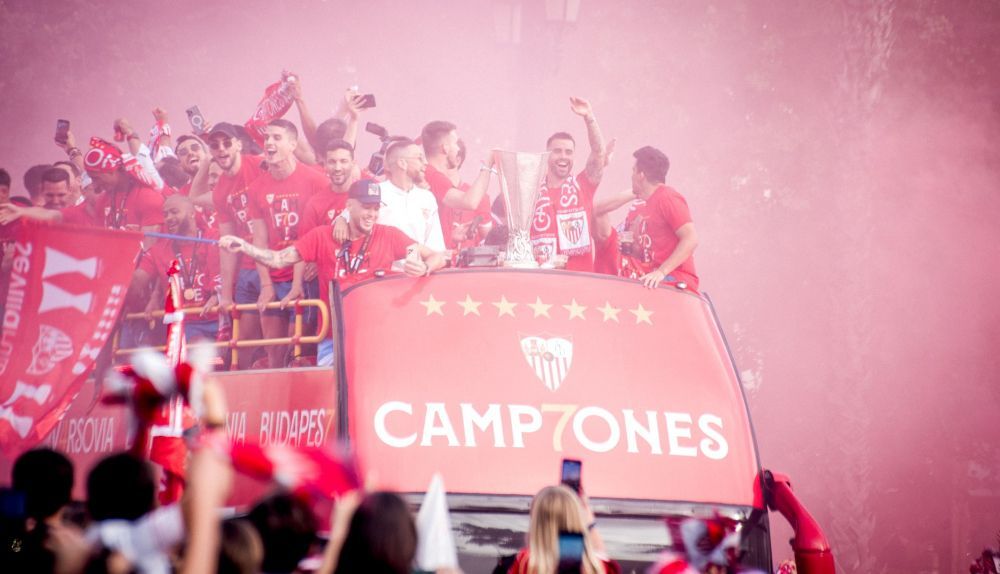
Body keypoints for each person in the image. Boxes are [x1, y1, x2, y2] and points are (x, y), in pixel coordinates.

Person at [221, 179, 446, 366]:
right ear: (349, 206)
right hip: (331, 339)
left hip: (376, 337)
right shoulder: (322, 235)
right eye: (366, 207)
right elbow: (279, 259)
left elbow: (436, 256)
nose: (372, 214)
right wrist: (244, 246)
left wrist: (424, 268)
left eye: (376, 208)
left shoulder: (389, 235)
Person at [247, 119, 330, 367]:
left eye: (277, 137)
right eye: (267, 138)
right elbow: (259, 240)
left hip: (305, 277)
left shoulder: (317, 181)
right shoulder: (256, 188)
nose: (269, 143)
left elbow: (323, 231)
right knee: (274, 353)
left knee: (299, 353)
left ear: (293, 144)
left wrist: (313, 264)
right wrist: (265, 284)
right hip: (274, 276)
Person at [205, 122, 267, 369]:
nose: (221, 150)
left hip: (275, 261)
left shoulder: (261, 165)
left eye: (227, 143)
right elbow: (227, 245)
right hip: (247, 268)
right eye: (215, 145)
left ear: (239, 145)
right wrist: (226, 294)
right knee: (242, 346)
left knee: (279, 340)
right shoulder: (220, 191)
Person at [531, 97, 607, 271]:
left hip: (578, 282)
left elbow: (598, 153)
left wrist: (589, 118)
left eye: (568, 152)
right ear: (547, 155)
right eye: (557, 151)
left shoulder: (583, 185)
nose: (563, 156)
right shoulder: (532, 194)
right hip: (541, 282)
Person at [335, 138, 446, 252]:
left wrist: (427, 265)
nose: (425, 163)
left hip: (417, 267)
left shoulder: (427, 198)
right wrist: (341, 219)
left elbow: (435, 246)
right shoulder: (375, 191)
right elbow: (345, 218)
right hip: (379, 267)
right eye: (419, 158)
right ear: (402, 163)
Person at [138, 195, 221, 342]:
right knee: (199, 348)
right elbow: (140, 277)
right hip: (187, 323)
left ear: (192, 213)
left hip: (219, 316)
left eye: (174, 212)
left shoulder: (212, 237)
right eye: (165, 214)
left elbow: (224, 271)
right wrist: (155, 296)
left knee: (234, 351)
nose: (169, 218)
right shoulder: (159, 249)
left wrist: (217, 295)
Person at [624, 146, 699, 290]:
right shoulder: (648, 203)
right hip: (657, 280)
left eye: (633, 171)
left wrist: (661, 272)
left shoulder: (667, 197)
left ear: (641, 175)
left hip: (675, 280)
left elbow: (691, 238)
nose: (631, 176)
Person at [420, 120, 495, 250]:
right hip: (417, 263)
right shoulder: (430, 175)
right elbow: (470, 202)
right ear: (445, 148)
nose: (458, 148)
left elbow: (425, 235)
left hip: (429, 260)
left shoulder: (431, 175)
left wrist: (451, 237)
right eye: (455, 143)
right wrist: (488, 165)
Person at [509, 485, 618, 574]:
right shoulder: (598, 568)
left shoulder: (523, 565)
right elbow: (600, 556)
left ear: (537, 523)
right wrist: (589, 522)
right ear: (578, 519)